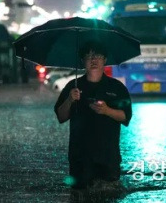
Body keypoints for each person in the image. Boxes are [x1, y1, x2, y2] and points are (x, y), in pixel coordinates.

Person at [54, 42, 132, 191]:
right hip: (80, 158)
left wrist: (107, 110)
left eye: (98, 56)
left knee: (109, 194)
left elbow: (125, 116)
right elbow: (61, 117)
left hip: (108, 157)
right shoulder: (73, 86)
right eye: (89, 56)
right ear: (82, 61)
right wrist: (70, 100)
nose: (94, 60)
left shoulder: (117, 87)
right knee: (79, 196)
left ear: (105, 60)